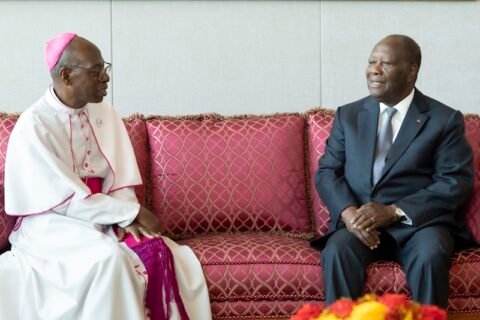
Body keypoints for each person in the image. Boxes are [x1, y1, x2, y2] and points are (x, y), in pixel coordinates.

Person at [0, 32, 211, 320]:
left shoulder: (105, 113)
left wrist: (126, 216)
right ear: (67, 75)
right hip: (54, 222)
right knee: (108, 260)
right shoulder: (34, 125)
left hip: (104, 212)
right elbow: (65, 200)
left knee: (159, 250)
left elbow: (119, 180)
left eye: (105, 69)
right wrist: (128, 213)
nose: (106, 78)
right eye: (96, 71)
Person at [311, 34, 474, 308]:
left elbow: (454, 182)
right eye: (372, 62)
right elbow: (328, 172)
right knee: (337, 250)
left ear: (411, 71)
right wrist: (350, 215)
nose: (374, 69)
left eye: (385, 63)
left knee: (430, 254)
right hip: (361, 223)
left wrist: (393, 211)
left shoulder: (444, 119)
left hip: (418, 224)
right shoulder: (348, 115)